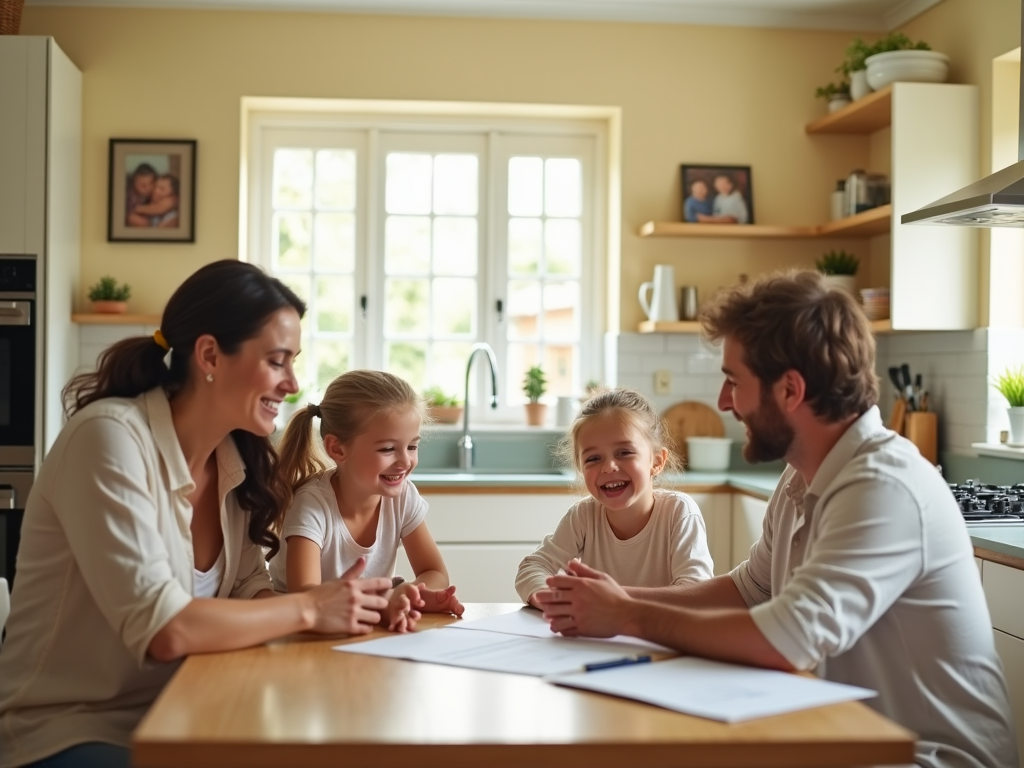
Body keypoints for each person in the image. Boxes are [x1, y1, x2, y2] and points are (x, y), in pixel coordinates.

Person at [537, 271, 1017, 768]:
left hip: (928, 757)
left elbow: (786, 641)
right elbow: (748, 589)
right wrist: (615, 600)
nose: (724, 402)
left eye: (733, 381)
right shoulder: (800, 476)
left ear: (789, 389)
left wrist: (627, 614)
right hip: (845, 736)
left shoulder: (882, 486)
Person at [0, 261, 394, 768]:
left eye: (293, 362)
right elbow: (165, 628)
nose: (292, 384)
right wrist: (311, 608)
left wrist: (357, 607)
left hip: (187, 710)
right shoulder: (109, 440)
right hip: (68, 731)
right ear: (209, 354)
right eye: (277, 362)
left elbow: (251, 592)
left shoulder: (233, 459)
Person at [270, 369, 464, 632]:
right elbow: (308, 601)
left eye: (412, 446)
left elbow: (436, 573)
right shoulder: (312, 506)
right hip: (297, 639)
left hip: (362, 630)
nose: (405, 462)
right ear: (337, 449)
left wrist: (411, 593)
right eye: (387, 449)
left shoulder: (402, 496)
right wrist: (385, 602)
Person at [516, 389, 712, 607]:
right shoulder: (584, 516)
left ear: (656, 461)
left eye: (624, 453)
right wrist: (553, 600)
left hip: (660, 638)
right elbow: (533, 567)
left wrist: (611, 599)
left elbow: (696, 591)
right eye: (593, 458)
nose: (608, 467)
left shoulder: (679, 512)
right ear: (581, 468)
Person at [125, 162, 157, 227]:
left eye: (151, 183)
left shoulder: (154, 191)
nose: (148, 188)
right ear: (134, 183)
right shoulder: (131, 195)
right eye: (143, 185)